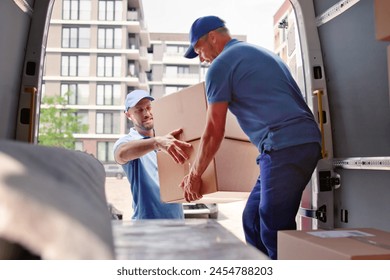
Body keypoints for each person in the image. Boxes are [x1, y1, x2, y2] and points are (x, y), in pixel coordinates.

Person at [179, 16, 322, 259]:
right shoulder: (257, 52)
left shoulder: (220, 66)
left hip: (284, 145)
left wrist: (194, 175)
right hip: (294, 143)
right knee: (253, 219)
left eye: (199, 50)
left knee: (273, 228)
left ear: (212, 37)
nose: (202, 59)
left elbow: (214, 131)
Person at [114, 89, 191, 219]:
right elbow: (121, 154)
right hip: (146, 228)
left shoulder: (168, 139)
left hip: (177, 225)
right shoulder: (128, 142)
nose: (146, 113)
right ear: (128, 115)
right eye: (139, 110)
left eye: (149, 107)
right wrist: (156, 142)